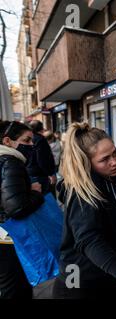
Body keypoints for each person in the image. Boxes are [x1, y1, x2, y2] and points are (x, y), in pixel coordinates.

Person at [52, 123, 116, 299]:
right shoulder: (83, 191)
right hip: (76, 280)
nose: (114, 162)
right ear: (86, 162)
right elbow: (87, 239)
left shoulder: (113, 179)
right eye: (104, 159)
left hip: (108, 272)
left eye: (114, 153)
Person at [0, 121, 44, 299]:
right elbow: (16, 208)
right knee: (16, 287)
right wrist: (35, 193)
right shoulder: (10, 162)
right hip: (9, 238)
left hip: (4, 235)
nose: (31, 145)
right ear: (8, 141)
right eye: (26, 141)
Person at [26, 121, 56, 195]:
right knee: (48, 198)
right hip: (41, 175)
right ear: (41, 128)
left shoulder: (28, 139)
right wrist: (50, 174)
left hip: (31, 173)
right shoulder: (40, 140)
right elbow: (42, 160)